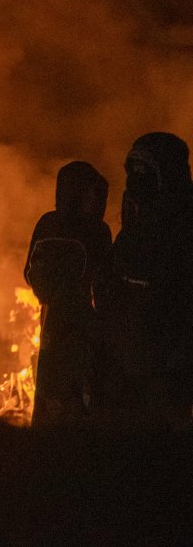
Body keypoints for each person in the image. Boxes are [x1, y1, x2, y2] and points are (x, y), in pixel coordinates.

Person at [94, 132, 193, 428]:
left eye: (145, 172)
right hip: (124, 359)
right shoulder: (134, 226)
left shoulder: (183, 224)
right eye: (132, 171)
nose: (136, 180)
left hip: (168, 360)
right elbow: (111, 278)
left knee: (163, 447)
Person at [23, 161, 112, 426]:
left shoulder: (47, 223)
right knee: (81, 390)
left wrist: (50, 295)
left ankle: (45, 446)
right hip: (85, 323)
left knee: (49, 387)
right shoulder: (95, 230)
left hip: (51, 323)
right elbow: (105, 280)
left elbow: (29, 272)